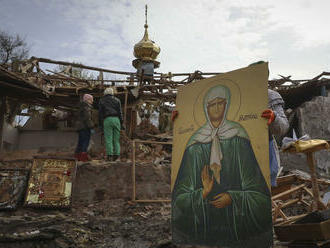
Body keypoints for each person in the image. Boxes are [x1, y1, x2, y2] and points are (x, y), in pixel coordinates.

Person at [172, 85, 273, 247]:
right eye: (212, 104)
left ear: (227, 105)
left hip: (236, 222)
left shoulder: (239, 138)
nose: (217, 108)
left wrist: (234, 197)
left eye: (221, 103)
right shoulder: (194, 145)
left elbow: (259, 195)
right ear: (206, 108)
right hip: (205, 222)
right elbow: (179, 199)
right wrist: (202, 193)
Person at [261, 89, 289, 186]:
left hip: (264, 151)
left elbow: (283, 127)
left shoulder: (270, 96)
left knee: (265, 190)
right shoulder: (234, 93)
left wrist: (274, 118)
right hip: (237, 152)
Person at [99, 87, 123, 161]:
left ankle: (110, 156)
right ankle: (117, 156)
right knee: (116, 139)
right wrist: (121, 123)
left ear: (105, 93)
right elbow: (120, 112)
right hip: (116, 120)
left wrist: (101, 124)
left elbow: (100, 114)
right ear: (112, 93)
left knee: (108, 138)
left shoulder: (102, 100)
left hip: (107, 119)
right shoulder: (117, 100)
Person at [75, 94, 94, 162]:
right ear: (88, 100)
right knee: (85, 142)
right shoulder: (87, 106)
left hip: (79, 127)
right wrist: (91, 126)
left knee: (80, 141)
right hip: (85, 127)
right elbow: (87, 118)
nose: (92, 101)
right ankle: (83, 158)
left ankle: (77, 157)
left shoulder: (80, 106)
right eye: (91, 99)